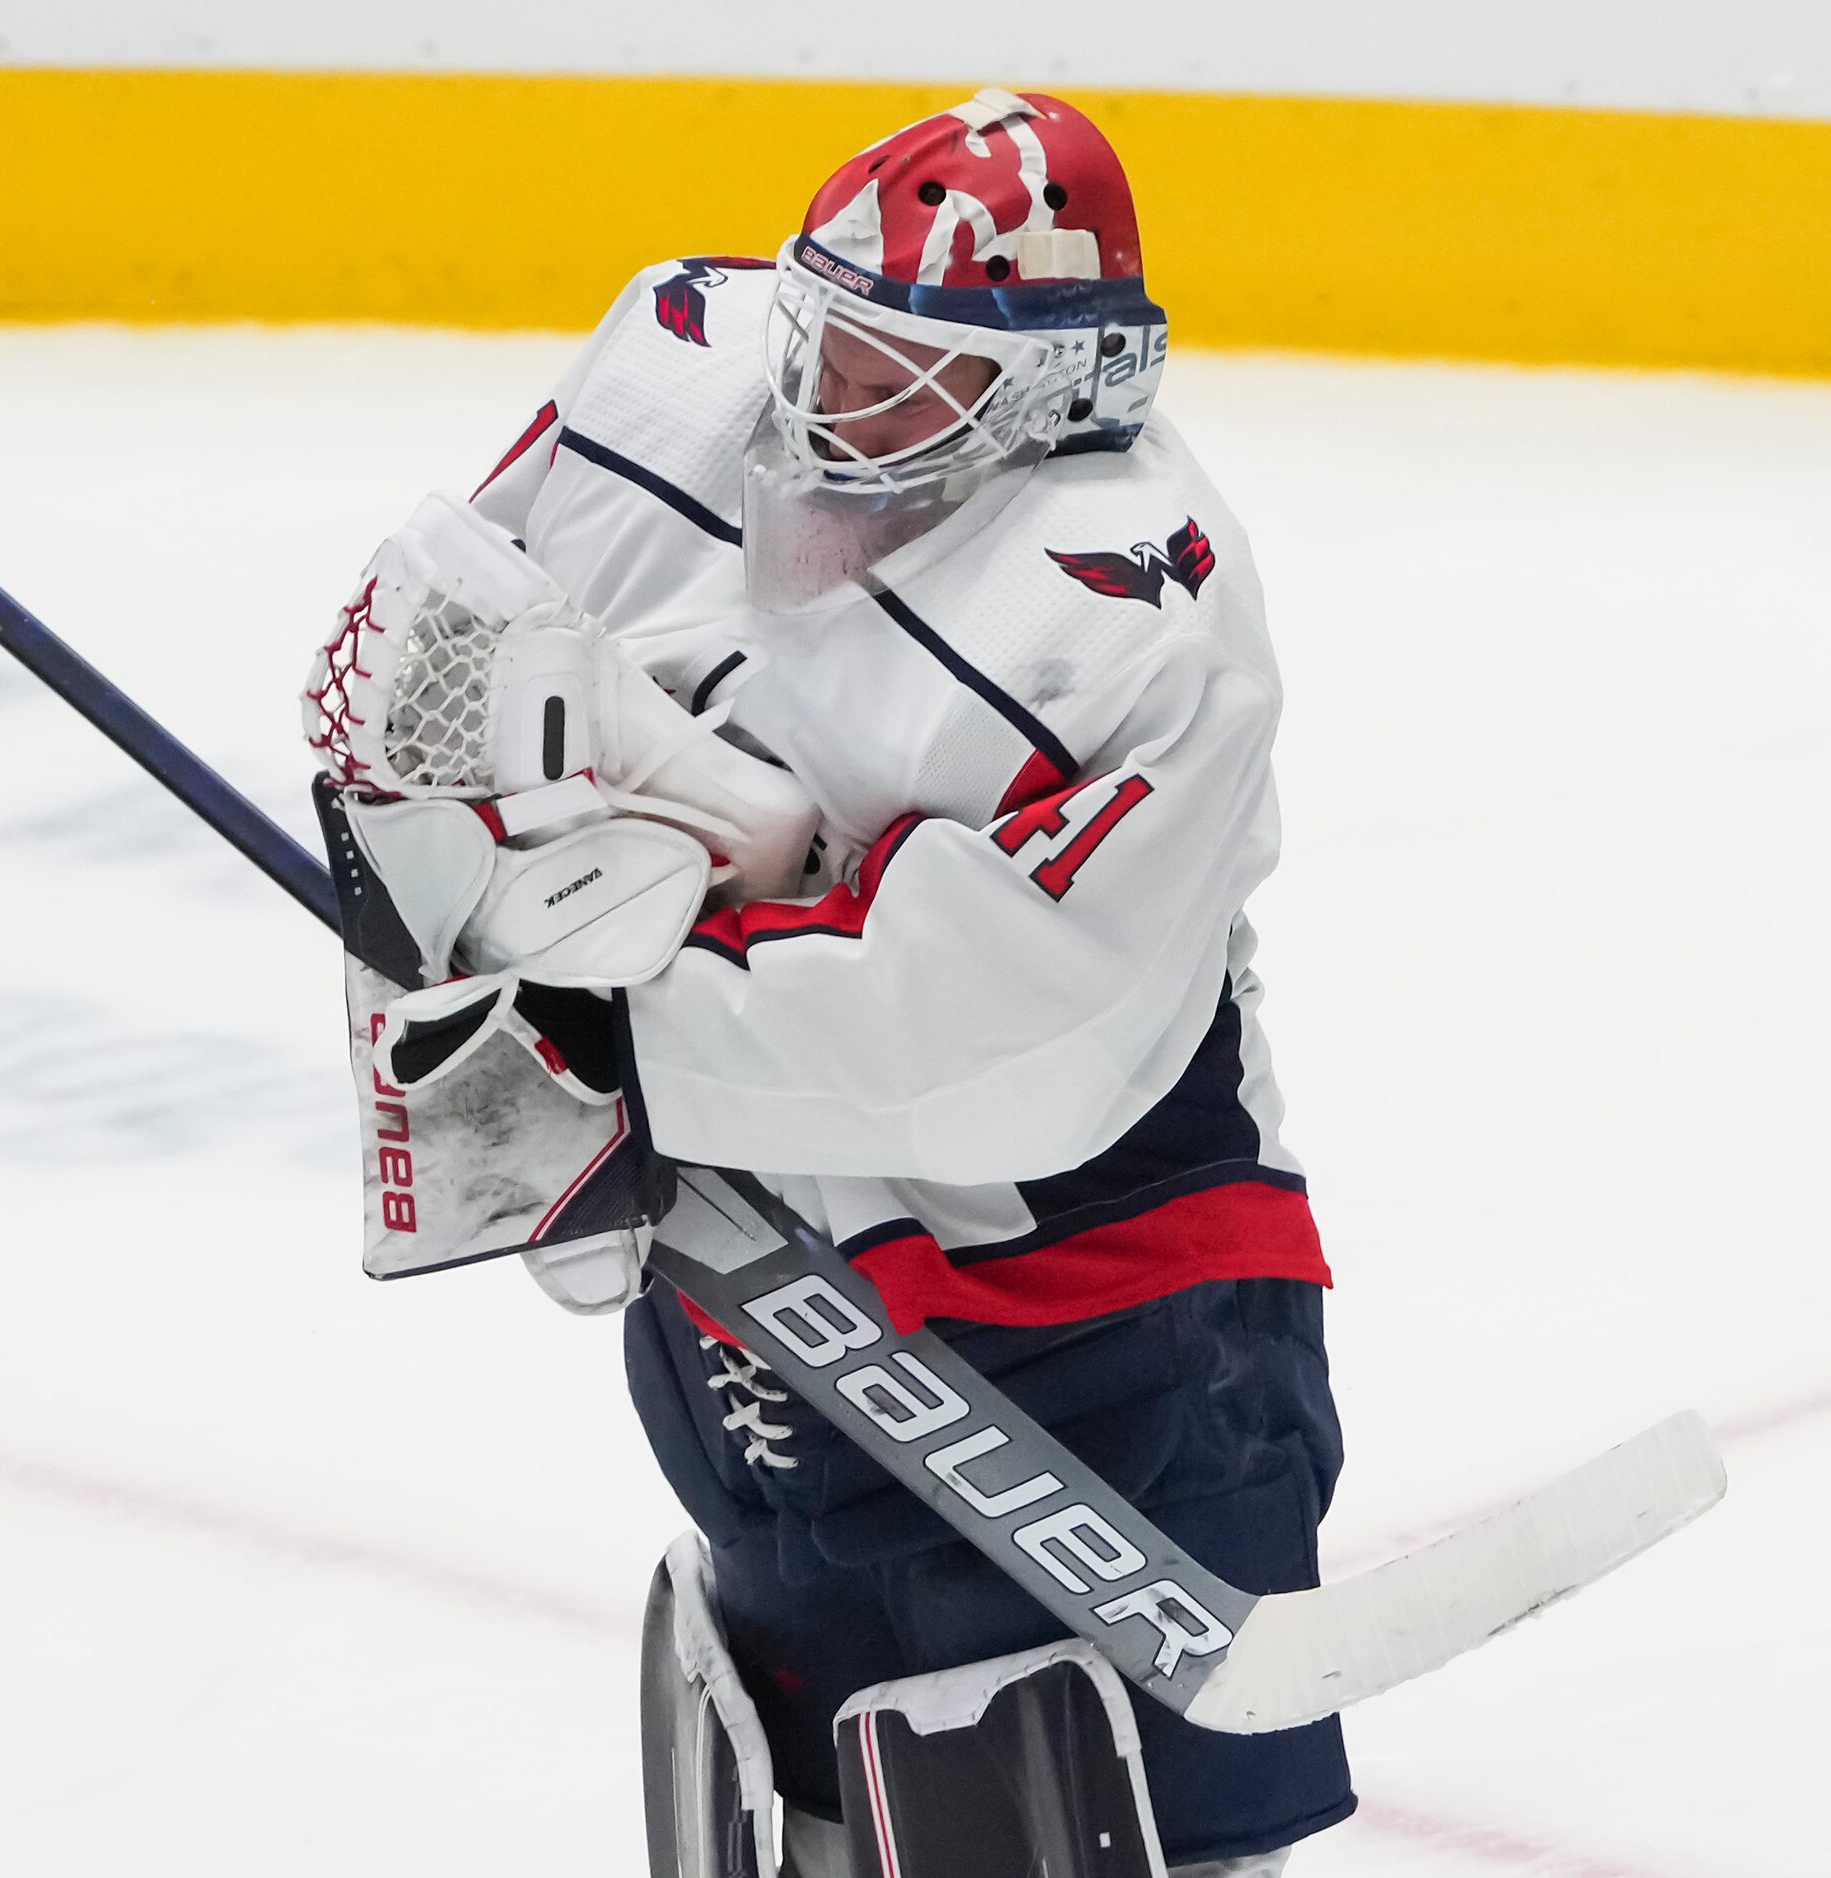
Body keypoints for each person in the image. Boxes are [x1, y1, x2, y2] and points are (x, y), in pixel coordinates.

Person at [312, 90, 1347, 1875]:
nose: (837, 398)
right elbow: (436, 670)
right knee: (791, 1802)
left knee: (1080, 1825)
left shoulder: (1137, 607)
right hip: (747, 1273)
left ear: (1063, 389)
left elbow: (1001, 1042)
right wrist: (446, 903)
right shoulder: (680, 372)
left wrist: (597, 1033)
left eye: (913, 370)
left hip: (1084, 1316)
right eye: (835, 338)